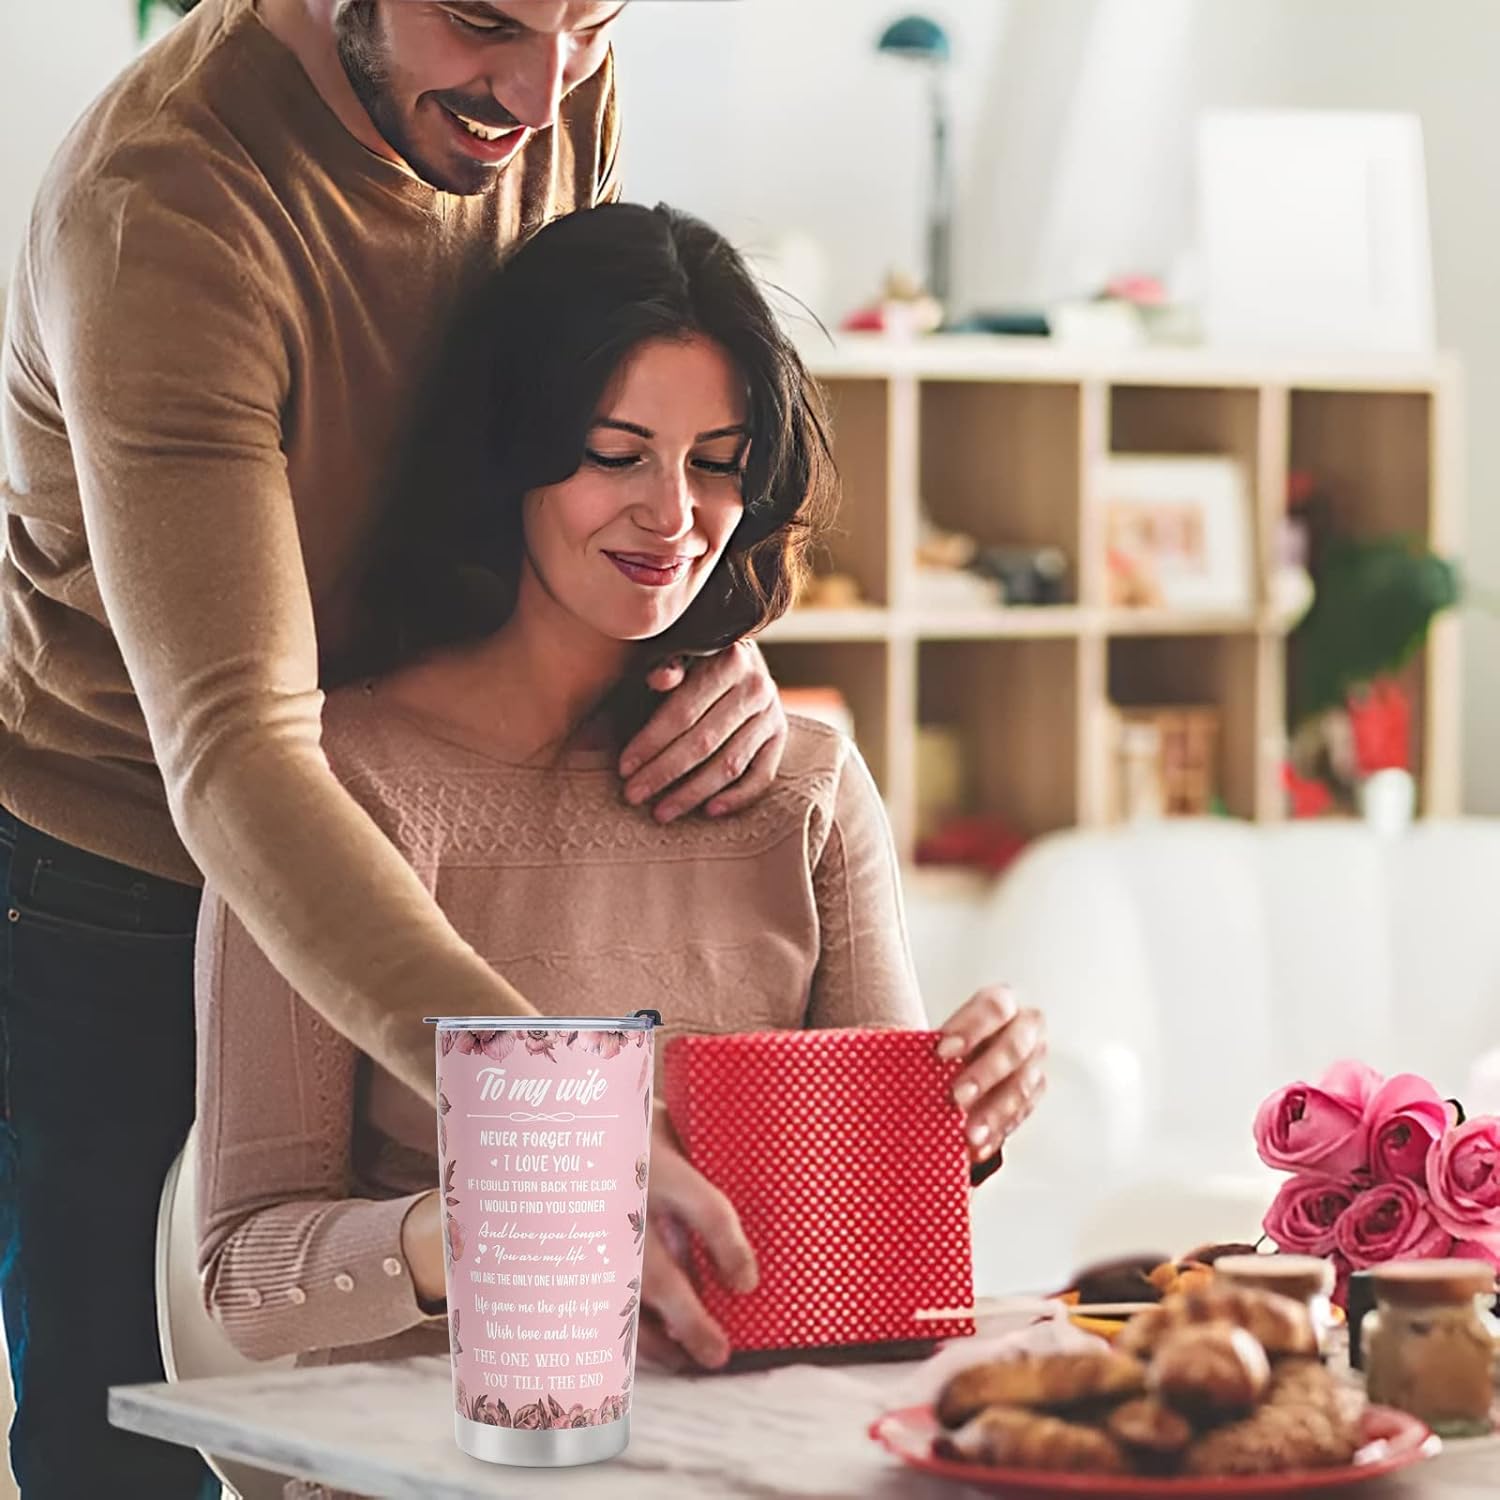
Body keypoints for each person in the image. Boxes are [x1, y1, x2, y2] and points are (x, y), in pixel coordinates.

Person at [0, 4, 789, 1494]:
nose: (544, 88)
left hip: (424, 797)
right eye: (486, 19)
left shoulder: (540, 71)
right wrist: (555, 1107)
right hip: (125, 863)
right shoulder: (163, 211)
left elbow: (592, 403)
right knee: (132, 1432)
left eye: (591, 22)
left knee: (441, 1400)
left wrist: (702, 631)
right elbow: (238, 747)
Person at [195, 204, 1049, 1419]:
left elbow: (867, 1243)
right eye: (615, 451)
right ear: (517, 446)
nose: (674, 515)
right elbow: (244, 1276)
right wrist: (492, 1217)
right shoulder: (324, 788)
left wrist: (963, 1111)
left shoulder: (803, 791)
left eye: (716, 461)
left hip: (749, 1456)